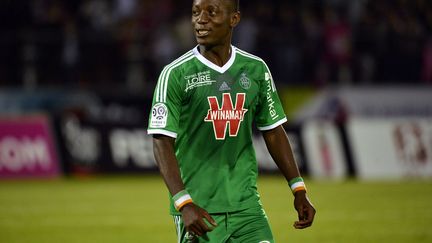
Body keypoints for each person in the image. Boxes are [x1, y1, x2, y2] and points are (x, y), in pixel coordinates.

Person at [147, 0, 316, 242]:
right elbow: (161, 141)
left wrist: (298, 189)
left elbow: (273, 132)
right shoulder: (175, 74)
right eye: (196, 12)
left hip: (247, 208)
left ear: (234, 19)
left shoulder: (255, 69)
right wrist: (184, 203)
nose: (200, 20)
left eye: (211, 12)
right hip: (199, 212)